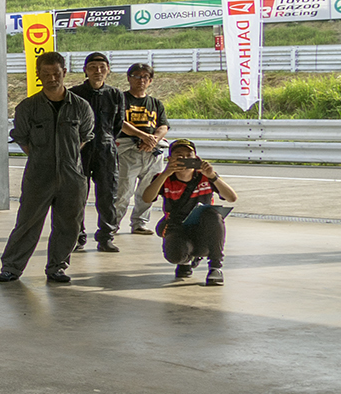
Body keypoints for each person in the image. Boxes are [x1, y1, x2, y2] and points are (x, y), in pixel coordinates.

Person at [0, 52, 96, 284]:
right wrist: (44, 158)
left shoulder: (81, 107)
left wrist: (66, 160)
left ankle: (57, 267)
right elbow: (22, 139)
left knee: (68, 224)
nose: (52, 78)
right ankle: (11, 268)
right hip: (39, 175)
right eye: (46, 74)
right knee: (27, 223)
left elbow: (84, 137)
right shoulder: (27, 107)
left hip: (72, 177)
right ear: (38, 74)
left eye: (56, 73)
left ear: (64, 73)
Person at [143, 139, 237, 284]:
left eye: (189, 155)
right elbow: (147, 198)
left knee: (213, 215)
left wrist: (213, 176)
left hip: (203, 226)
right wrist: (165, 174)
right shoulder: (165, 179)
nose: (185, 159)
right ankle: (186, 261)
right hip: (177, 226)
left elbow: (231, 197)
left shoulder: (206, 176)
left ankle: (215, 267)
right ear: (170, 159)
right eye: (179, 156)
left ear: (196, 158)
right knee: (175, 254)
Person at [72, 53, 125, 253]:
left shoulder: (115, 94)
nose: (98, 71)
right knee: (77, 195)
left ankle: (106, 237)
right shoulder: (75, 93)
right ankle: (78, 236)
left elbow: (118, 125)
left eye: (102, 67)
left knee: (107, 195)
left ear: (108, 70)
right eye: (93, 67)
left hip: (106, 149)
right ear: (85, 70)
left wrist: (107, 140)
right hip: (80, 150)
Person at [115, 63, 169, 235]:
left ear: (150, 80)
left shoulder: (155, 103)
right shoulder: (120, 100)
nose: (141, 80)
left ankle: (139, 222)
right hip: (128, 152)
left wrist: (153, 139)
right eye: (137, 76)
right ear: (129, 78)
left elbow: (163, 126)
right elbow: (119, 123)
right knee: (123, 191)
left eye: (145, 77)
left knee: (147, 191)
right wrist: (142, 136)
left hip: (152, 153)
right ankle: (112, 224)